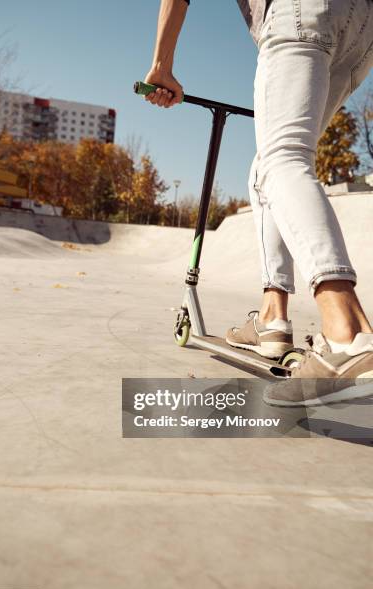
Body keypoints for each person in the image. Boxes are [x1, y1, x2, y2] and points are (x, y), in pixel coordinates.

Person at [144, 0, 373, 403]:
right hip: (362, 29)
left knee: (283, 159)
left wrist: (161, 66)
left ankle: (348, 337)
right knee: (264, 168)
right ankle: (272, 319)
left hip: (301, 10)